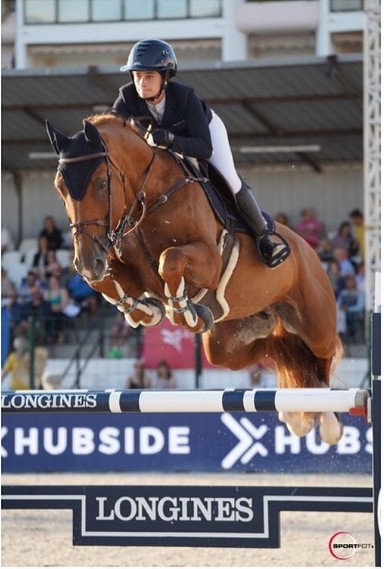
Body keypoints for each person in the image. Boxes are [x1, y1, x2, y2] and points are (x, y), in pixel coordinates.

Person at [112, 39, 290, 268]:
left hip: (203, 134)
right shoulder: (127, 97)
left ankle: (264, 236)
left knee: (228, 176)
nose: (142, 84)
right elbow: (112, 129)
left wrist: (171, 140)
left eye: (149, 77)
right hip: (164, 147)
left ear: (164, 77)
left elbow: (204, 148)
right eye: (137, 76)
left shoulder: (185, 97)